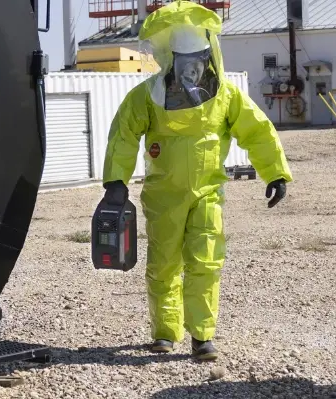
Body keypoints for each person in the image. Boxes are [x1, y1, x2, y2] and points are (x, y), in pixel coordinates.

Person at [101, 1, 293, 360]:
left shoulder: (226, 95)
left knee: (205, 262)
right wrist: (116, 181)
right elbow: (123, 135)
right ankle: (164, 332)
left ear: (207, 59)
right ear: (172, 62)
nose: (192, 70)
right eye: (185, 64)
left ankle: (202, 335)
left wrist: (276, 172)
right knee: (164, 263)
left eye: (198, 62)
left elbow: (257, 130)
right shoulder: (147, 96)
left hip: (208, 192)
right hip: (163, 196)